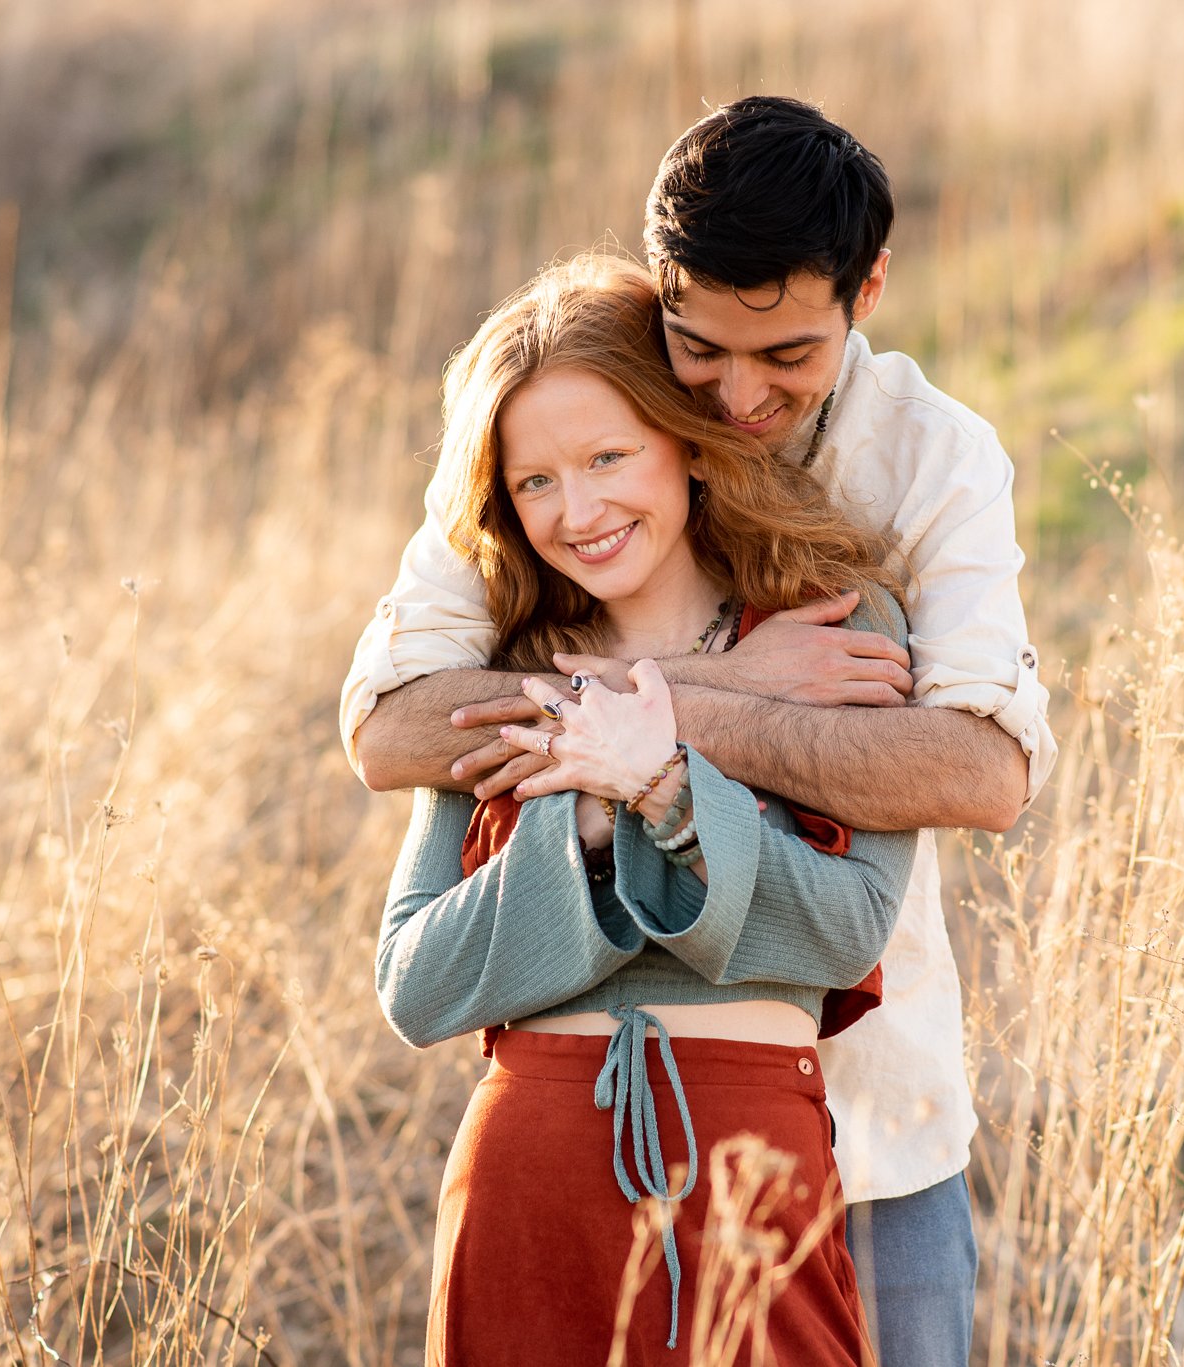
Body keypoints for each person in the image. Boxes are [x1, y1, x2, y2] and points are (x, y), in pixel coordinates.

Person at [345, 97, 1057, 1366]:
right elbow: (390, 731)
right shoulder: (570, 415)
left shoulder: (932, 458)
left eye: (781, 355)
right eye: (697, 352)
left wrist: (686, 721)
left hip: (867, 1110)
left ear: (866, 289)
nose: (734, 396)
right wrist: (690, 688)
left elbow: (980, 771)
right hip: (555, 1135)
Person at [377, 254, 913, 1362]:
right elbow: (416, 985)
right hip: (522, 1189)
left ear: (686, 438)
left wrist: (664, 787)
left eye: (607, 455)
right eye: (533, 482)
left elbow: (845, 928)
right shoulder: (499, 683)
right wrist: (574, 819)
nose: (578, 510)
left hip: (748, 1177)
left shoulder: (836, 634)